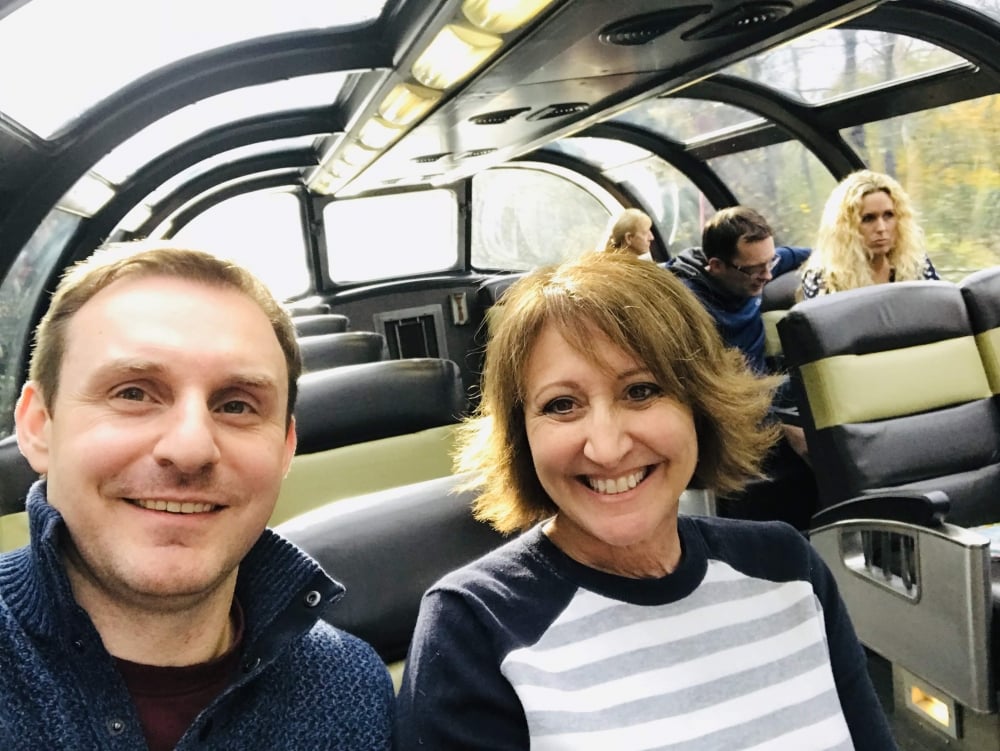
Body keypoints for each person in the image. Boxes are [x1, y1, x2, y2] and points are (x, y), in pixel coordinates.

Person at [394, 252, 896, 750]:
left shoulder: (788, 568)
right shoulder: (472, 630)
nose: (607, 448)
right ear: (521, 436)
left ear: (700, 405)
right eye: (562, 405)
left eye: (640, 391)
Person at [1, 244, 393, 749]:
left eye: (236, 405)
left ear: (285, 449)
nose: (190, 449)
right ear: (38, 427)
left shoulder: (350, 688)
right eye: (133, 393)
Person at [668, 205, 810, 375]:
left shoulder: (755, 262)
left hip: (766, 382)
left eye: (771, 262)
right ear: (717, 266)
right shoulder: (683, 304)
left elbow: (820, 254)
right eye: (754, 269)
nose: (767, 275)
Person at [800, 169, 939, 298]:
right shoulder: (825, 279)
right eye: (868, 219)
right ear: (845, 227)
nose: (881, 228)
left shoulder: (916, 265)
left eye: (888, 215)